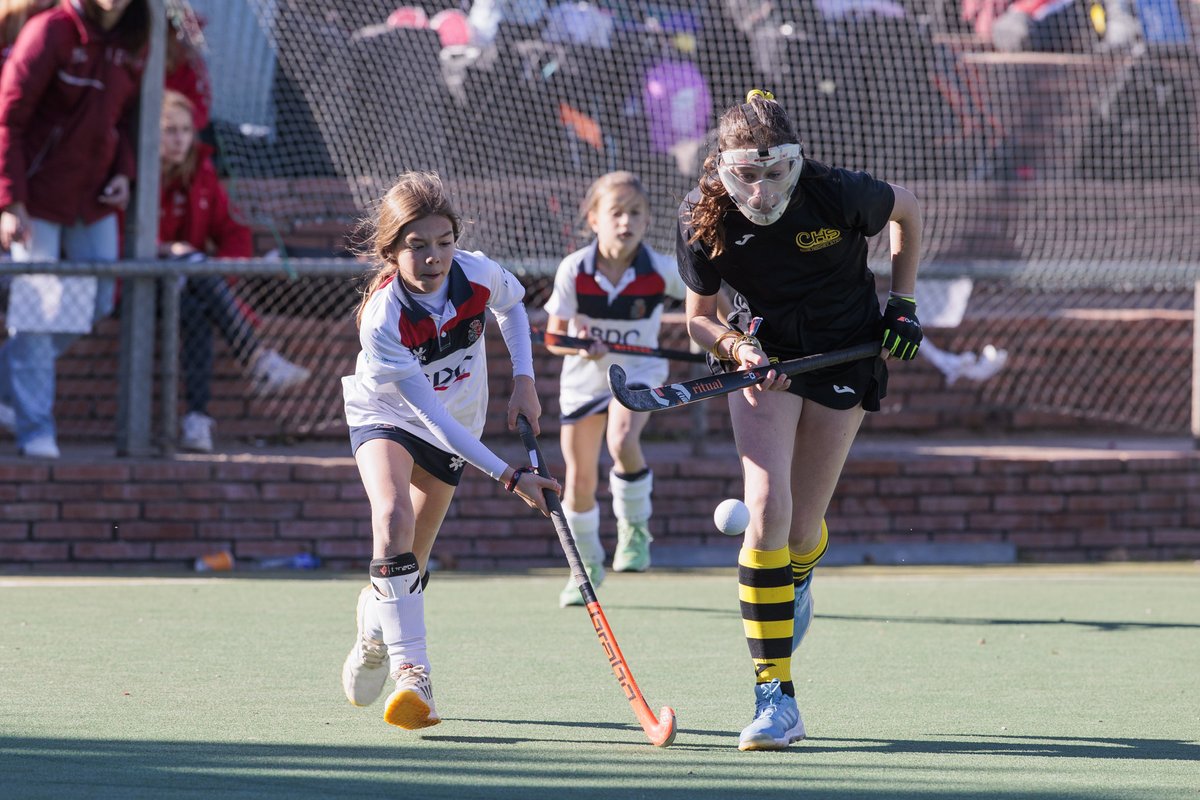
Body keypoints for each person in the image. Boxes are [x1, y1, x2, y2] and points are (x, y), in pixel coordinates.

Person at [676, 89, 923, 751]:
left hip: (845, 350)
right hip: (761, 359)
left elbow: (909, 210)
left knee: (802, 530)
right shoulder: (705, 219)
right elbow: (698, 318)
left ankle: (799, 572)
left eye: (777, 170)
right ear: (722, 168)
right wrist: (738, 348)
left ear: (797, 159)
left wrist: (903, 304)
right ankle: (775, 697)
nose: (763, 188)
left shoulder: (839, 192)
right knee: (766, 509)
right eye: (746, 175)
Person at [339, 171, 561, 730]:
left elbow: (513, 309)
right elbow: (427, 418)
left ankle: (373, 627)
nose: (434, 257)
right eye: (417, 246)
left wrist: (525, 379)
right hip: (389, 415)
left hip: (460, 420)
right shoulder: (383, 318)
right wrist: (512, 478)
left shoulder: (478, 274)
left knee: (411, 558)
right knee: (391, 517)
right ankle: (413, 672)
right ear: (391, 251)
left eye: (444, 242)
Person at [0, 0, 149, 459]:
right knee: (38, 312)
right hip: (38, 198)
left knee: (100, 298)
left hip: (92, 199)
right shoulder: (50, 31)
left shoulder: (133, 35)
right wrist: (10, 201)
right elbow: (8, 118)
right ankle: (35, 431)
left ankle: (9, 377)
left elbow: (125, 121)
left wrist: (123, 172)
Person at [541, 171, 687, 607]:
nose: (626, 222)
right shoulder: (574, 270)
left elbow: (706, 294)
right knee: (579, 480)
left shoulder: (660, 270)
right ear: (593, 219)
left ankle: (635, 531)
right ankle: (585, 569)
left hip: (639, 370)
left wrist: (723, 334)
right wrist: (582, 347)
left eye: (636, 213)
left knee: (623, 439)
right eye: (616, 212)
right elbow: (553, 338)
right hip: (584, 380)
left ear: (647, 221)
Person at [158, 90, 310, 453]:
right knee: (194, 268)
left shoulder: (201, 171)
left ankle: (196, 419)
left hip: (192, 284)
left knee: (198, 312)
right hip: (144, 284)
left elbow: (234, 232)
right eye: (169, 130)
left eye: (185, 130)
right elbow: (119, 236)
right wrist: (165, 250)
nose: (180, 139)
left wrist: (218, 278)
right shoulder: (137, 174)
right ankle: (257, 360)